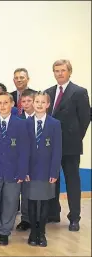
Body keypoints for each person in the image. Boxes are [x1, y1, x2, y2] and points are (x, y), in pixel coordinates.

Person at [45, 59, 90, 231]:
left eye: (63, 70)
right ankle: (53, 213)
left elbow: (85, 118)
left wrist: (76, 137)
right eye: (56, 70)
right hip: (51, 146)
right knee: (52, 181)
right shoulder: (48, 92)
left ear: (69, 72)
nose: (59, 73)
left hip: (70, 146)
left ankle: (74, 218)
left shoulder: (79, 92)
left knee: (72, 182)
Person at [0, 92, 30, 246]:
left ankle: (4, 232)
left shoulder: (20, 124)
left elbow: (24, 150)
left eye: (5, 103)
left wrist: (22, 171)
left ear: (12, 104)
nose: (2, 106)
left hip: (14, 172)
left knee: (11, 202)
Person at [25, 91, 62, 247]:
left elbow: (57, 150)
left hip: (47, 171)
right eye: (37, 102)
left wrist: (54, 171)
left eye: (42, 102)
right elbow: (22, 149)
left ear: (48, 105)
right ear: (33, 103)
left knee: (45, 203)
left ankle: (42, 233)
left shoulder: (55, 124)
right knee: (32, 203)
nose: (39, 105)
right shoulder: (25, 123)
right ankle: (33, 232)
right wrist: (24, 170)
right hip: (30, 171)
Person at [16, 88, 36, 232]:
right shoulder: (18, 121)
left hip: (38, 162)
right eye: (24, 101)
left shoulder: (42, 118)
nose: (27, 104)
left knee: (38, 191)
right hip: (22, 161)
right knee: (25, 191)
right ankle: (25, 219)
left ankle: (39, 218)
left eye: (30, 101)